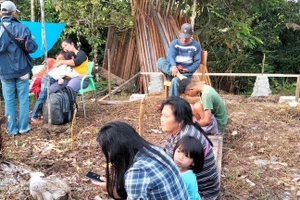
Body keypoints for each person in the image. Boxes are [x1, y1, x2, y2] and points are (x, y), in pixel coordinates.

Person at [92, 121, 189, 200]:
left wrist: (112, 191)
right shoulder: (154, 150)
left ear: (116, 151)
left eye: (107, 152)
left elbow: (137, 181)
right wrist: (114, 189)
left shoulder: (137, 172)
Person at [160, 96, 220, 199]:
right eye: (161, 115)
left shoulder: (186, 138)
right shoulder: (179, 131)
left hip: (201, 193)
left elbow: (170, 170)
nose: (162, 120)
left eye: (166, 116)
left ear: (180, 121)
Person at [0, 1, 38, 135]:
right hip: (22, 69)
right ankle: (23, 127)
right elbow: (31, 48)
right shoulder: (22, 28)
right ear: (14, 12)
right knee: (23, 98)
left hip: (4, 71)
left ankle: (11, 129)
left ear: (1, 13)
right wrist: (31, 39)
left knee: (9, 100)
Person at [31, 52, 79, 124]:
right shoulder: (67, 68)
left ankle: (40, 115)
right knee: (42, 98)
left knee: (43, 97)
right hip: (48, 79)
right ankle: (34, 117)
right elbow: (76, 75)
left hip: (47, 78)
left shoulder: (63, 66)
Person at [156, 23, 201, 96]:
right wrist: (174, 66)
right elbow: (171, 56)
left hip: (185, 75)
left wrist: (187, 70)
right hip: (172, 72)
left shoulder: (196, 46)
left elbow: (197, 63)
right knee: (160, 61)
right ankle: (178, 75)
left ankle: (173, 104)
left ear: (191, 35)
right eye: (183, 36)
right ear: (180, 34)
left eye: (187, 37)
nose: (184, 39)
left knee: (175, 81)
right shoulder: (174, 43)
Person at [173, 136, 204, 200]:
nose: (180, 157)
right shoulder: (173, 167)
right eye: (178, 151)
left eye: (187, 156)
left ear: (194, 162)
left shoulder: (188, 178)